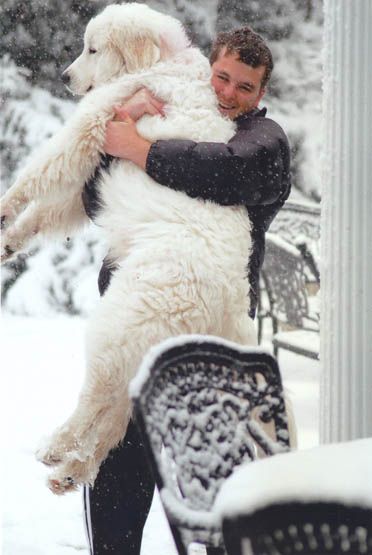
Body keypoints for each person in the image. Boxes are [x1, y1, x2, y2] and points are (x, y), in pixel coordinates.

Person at [82, 26, 291, 554]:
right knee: (114, 528)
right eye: (221, 77)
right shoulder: (159, 118)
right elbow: (94, 199)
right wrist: (126, 132)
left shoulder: (262, 143)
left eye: (245, 87)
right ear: (206, 72)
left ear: (259, 96)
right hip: (133, 345)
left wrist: (141, 149)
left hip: (207, 358)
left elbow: (230, 173)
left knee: (212, 531)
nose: (228, 93)